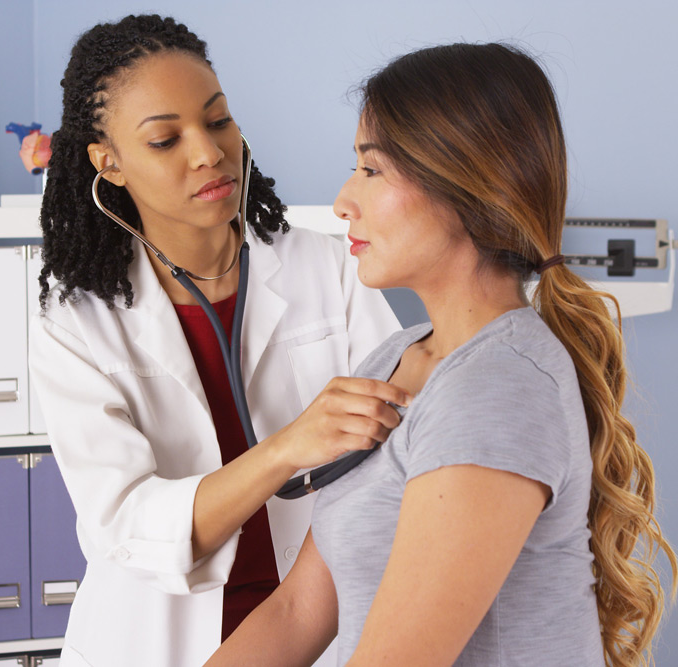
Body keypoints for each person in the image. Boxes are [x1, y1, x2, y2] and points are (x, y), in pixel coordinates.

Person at [207, 42, 677, 666]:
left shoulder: (501, 382)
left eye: (371, 170)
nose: (345, 200)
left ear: (463, 184)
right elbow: (297, 613)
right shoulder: (394, 360)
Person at [28, 13, 403, 667]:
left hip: (316, 627)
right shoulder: (77, 322)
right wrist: (288, 448)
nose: (207, 151)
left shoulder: (330, 268)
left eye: (218, 119)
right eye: (166, 139)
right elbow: (126, 524)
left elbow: (399, 444)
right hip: (153, 642)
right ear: (107, 163)